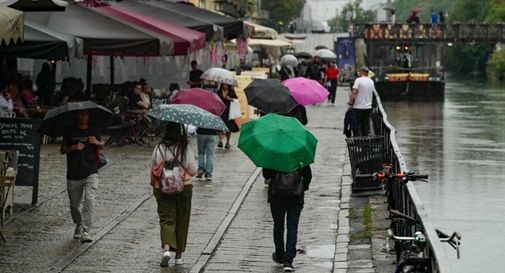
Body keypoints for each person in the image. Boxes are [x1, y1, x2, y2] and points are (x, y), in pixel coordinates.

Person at [150, 122, 197, 267]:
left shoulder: (159, 147)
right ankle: (179, 256)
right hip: (183, 187)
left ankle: (166, 250)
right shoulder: (184, 148)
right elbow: (193, 171)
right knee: (182, 220)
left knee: (166, 219)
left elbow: (154, 166)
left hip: (162, 187)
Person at [60, 109, 105, 243]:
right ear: (76, 115)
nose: (82, 117)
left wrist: (96, 142)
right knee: (74, 205)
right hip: (73, 173)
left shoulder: (93, 130)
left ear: (88, 115)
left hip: (91, 171)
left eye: (85, 114)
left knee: (89, 200)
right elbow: (62, 149)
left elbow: (102, 145)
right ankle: (78, 223)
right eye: (80, 114)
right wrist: (73, 147)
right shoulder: (69, 130)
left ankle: (86, 230)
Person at [263, 165, 312, 272]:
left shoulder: (273, 152)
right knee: (292, 227)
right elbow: (308, 175)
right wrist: (304, 186)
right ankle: (288, 261)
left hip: (276, 195)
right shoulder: (299, 152)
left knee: (278, 226)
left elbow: (266, 174)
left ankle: (280, 255)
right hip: (295, 196)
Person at [349, 66, 374, 136]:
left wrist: (351, 102)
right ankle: (365, 143)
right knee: (365, 127)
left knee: (356, 126)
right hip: (368, 108)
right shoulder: (371, 81)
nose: (358, 73)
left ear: (362, 72)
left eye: (359, 72)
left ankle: (357, 141)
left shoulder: (358, 80)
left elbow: (354, 92)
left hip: (358, 107)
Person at [217, 83, 240, 149]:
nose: (225, 86)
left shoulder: (231, 91)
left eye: (226, 85)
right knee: (219, 126)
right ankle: (220, 141)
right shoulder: (218, 92)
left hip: (229, 111)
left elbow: (236, 100)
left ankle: (227, 142)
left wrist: (230, 99)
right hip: (221, 111)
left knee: (228, 127)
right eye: (224, 85)